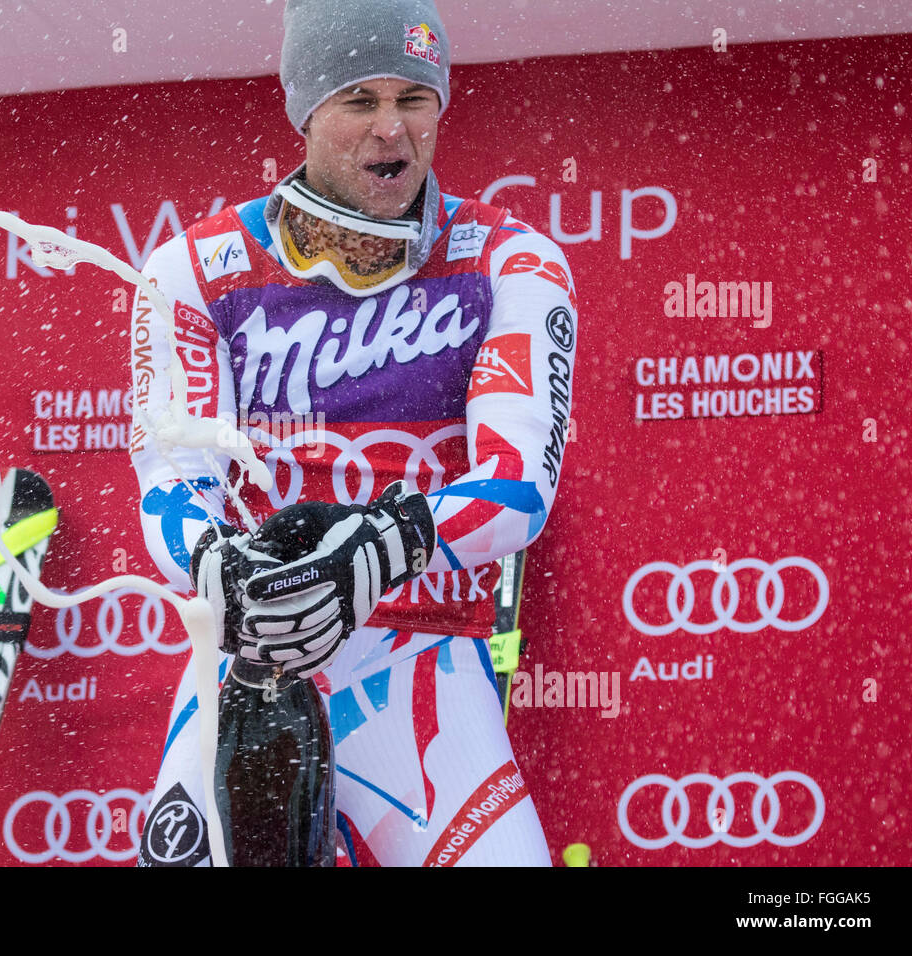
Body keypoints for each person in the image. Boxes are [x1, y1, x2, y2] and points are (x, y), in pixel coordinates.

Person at [129, 0, 577, 867]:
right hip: (250, 662)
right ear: (305, 113)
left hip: (422, 659)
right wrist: (216, 563)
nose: (391, 129)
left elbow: (518, 489)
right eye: (358, 100)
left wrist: (370, 552)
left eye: (414, 98)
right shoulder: (192, 269)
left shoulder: (508, 259)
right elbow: (171, 476)